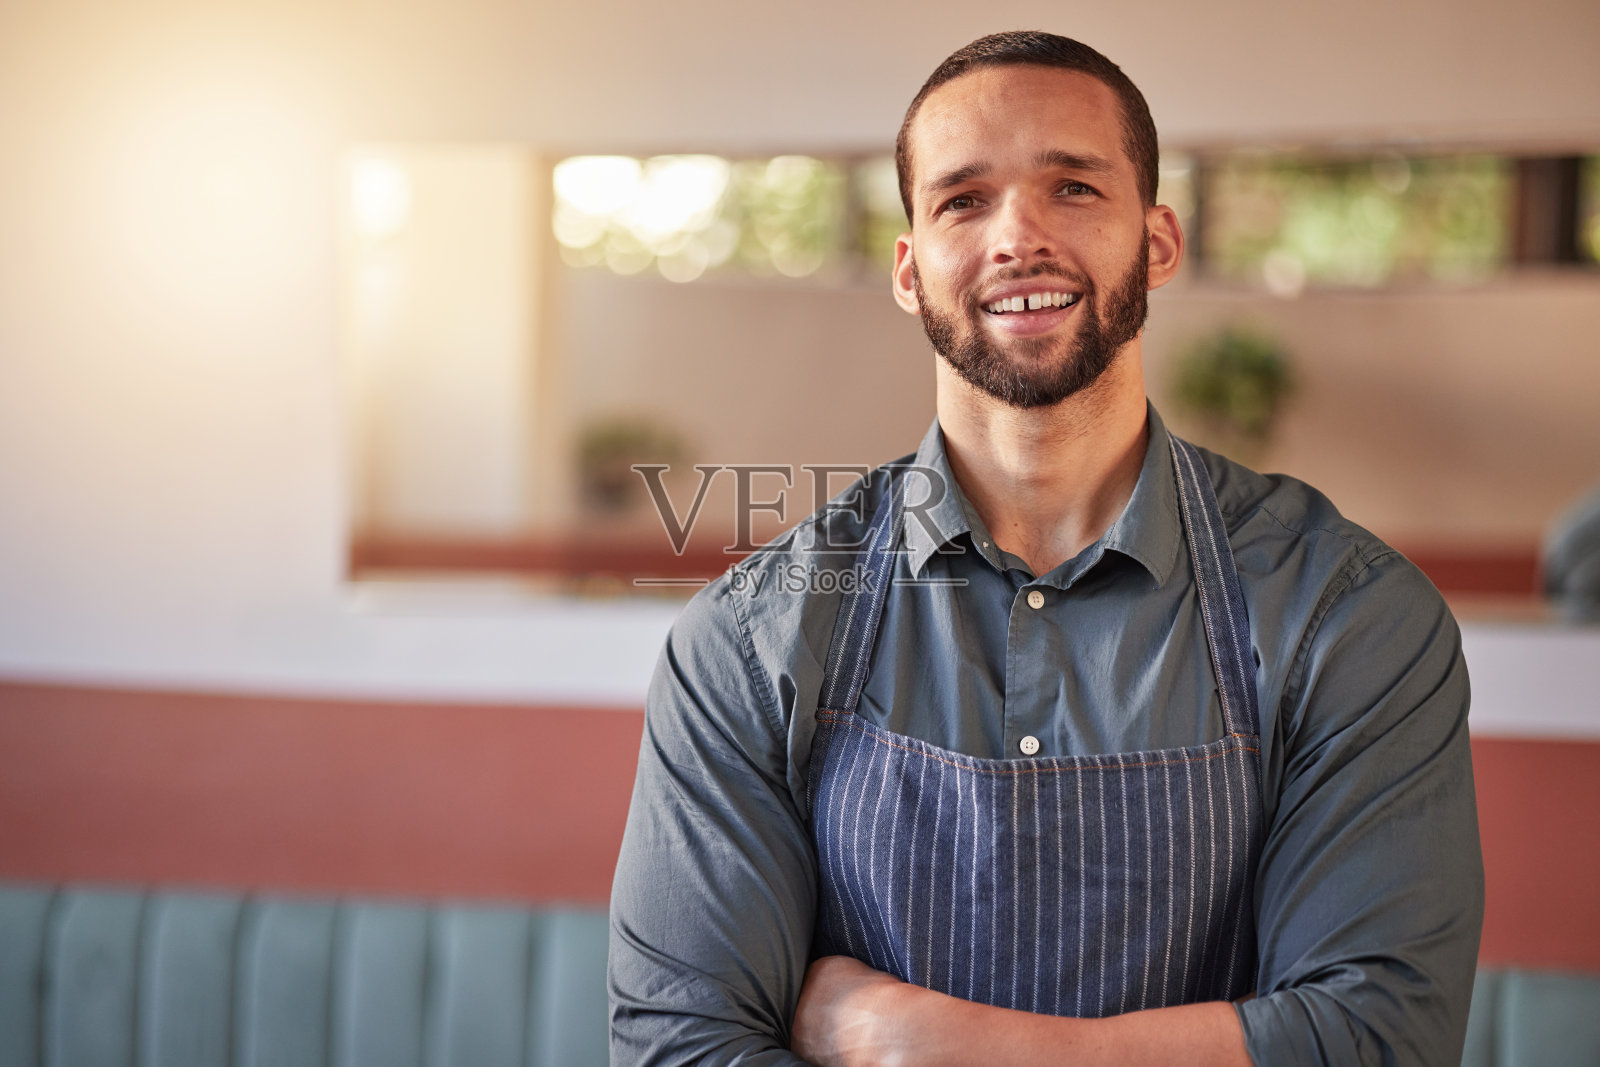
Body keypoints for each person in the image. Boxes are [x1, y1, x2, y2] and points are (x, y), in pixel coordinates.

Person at [609, 30, 1483, 1067]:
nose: (1016, 236)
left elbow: (1376, 1035)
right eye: (962, 200)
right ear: (909, 268)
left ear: (1157, 240)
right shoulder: (754, 633)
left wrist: (919, 1040)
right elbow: (681, 1045)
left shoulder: (1345, 612)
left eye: (1071, 187)